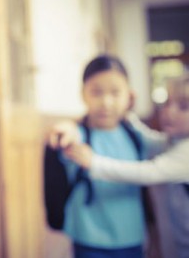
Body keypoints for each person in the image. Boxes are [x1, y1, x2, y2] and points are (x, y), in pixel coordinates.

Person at [50, 75, 189, 256]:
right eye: (167, 103)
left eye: (184, 107)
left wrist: (95, 163)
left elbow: (147, 172)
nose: (169, 112)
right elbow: (146, 137)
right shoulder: (173, 141)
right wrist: (125, 110)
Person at [44, 55, 147, 258]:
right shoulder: (79, 136)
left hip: (133, 238)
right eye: (96, 92)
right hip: (89, 240)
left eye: (115, 92)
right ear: (83, 94)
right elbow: (66, 133)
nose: (106, 102)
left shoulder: (137, 136)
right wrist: (66, 129)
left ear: (129, 95)